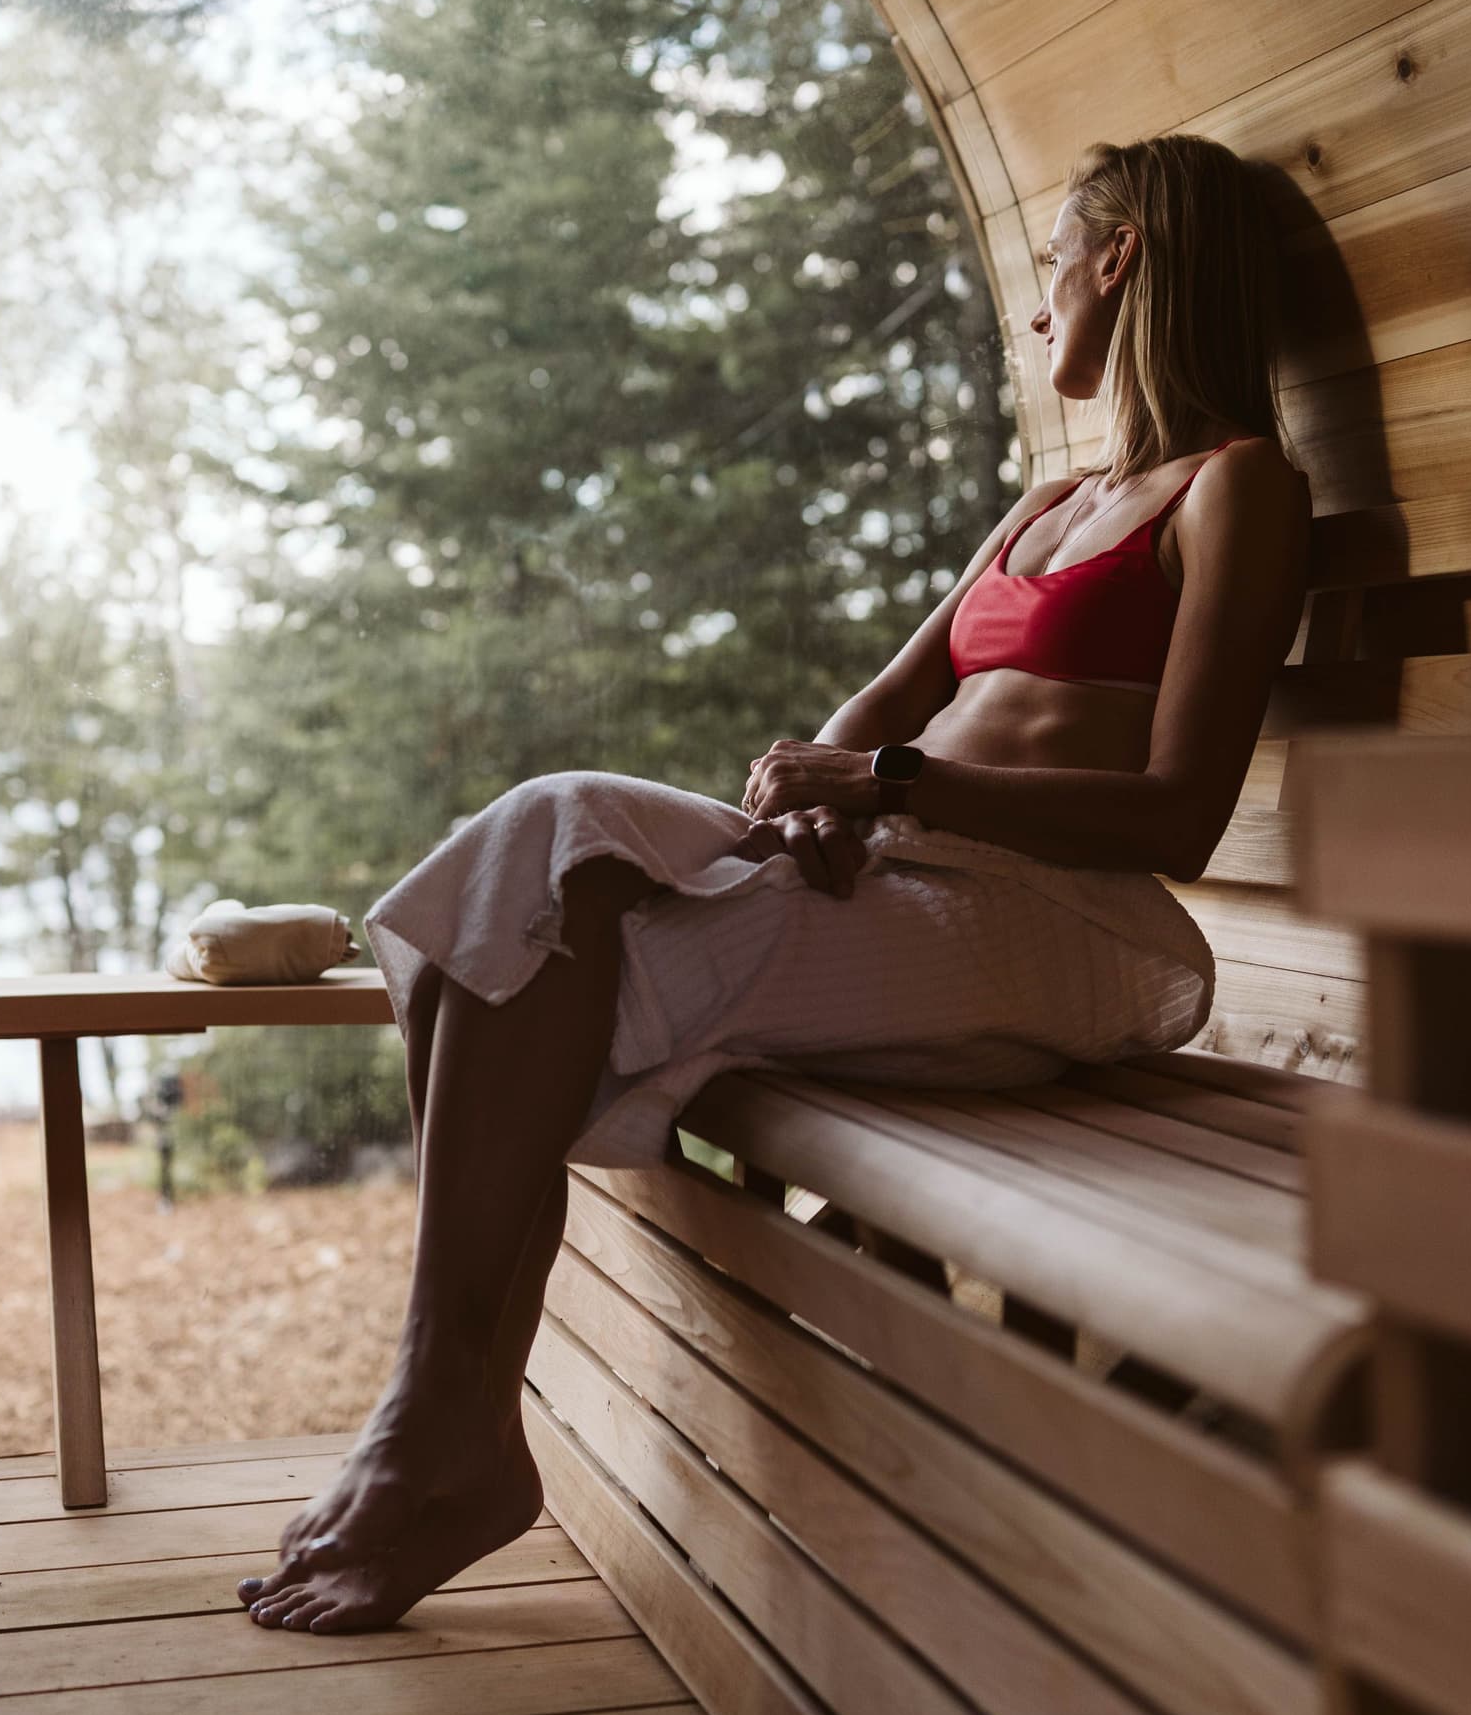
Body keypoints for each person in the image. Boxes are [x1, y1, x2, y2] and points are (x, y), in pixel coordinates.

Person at [240, 132, 1312, 1634]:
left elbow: (1179, 815)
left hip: (1060, 922)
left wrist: (887, 788)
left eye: (1057, 262)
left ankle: (438, 1428)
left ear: (1119, 259)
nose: (1039, 301)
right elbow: (867, 715)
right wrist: (804, 801)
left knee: (536, 971)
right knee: (533, 847)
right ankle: (446, 1419)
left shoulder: (1238, 489)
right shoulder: (1045, 508)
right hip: (911, 872)